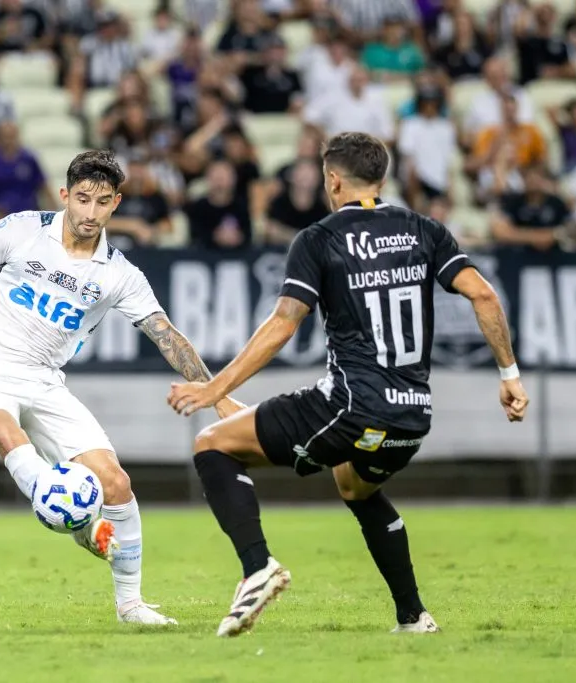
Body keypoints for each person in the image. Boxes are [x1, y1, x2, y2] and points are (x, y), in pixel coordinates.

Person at [0, 150, 244, 626]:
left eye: (103, 203)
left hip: (46, 383)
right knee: (4, 429)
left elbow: (167, 336)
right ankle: (60, 507)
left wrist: (217, 394)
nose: (91, 214)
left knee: (116, 483)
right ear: (65, 195)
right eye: (83, 200)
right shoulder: (19, 230)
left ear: (117, 203)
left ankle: (131, 604)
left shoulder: (119, 274)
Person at [166, 132, 530, 637]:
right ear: (381, 178)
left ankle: (257, 569)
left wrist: (212, 389)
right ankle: (413, 617)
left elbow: (283, 325)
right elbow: (485, 296)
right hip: (411, 415)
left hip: (351, 406)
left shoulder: (319, 238)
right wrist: (509, 376)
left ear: (332, 179)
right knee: (353, 484)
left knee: (211, 446)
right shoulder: (424, 229)